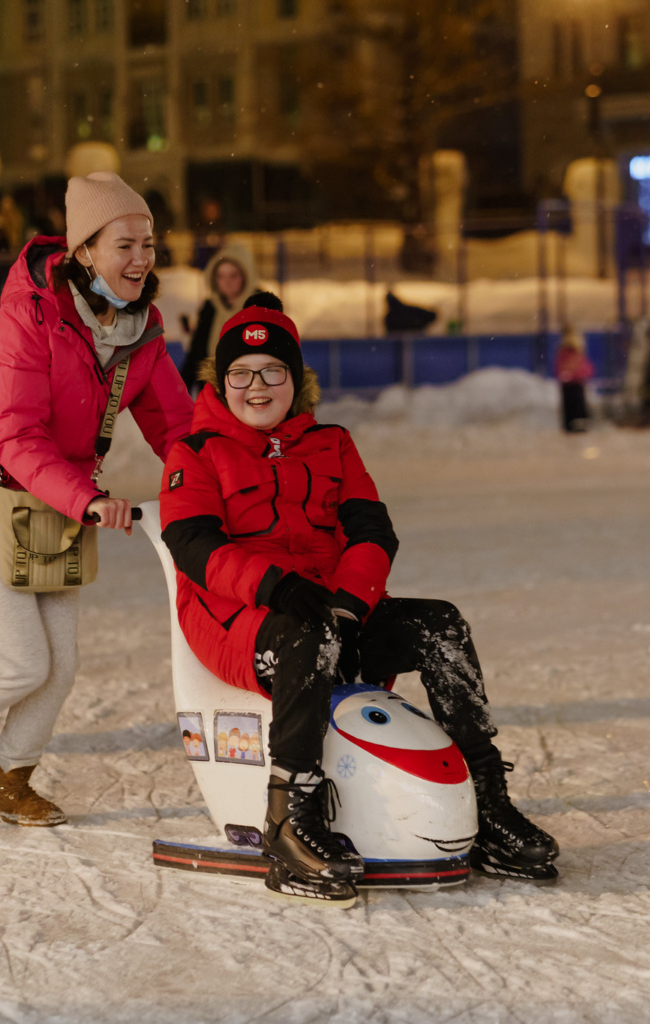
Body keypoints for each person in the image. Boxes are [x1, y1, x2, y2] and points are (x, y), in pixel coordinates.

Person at [158, 292, 559, 904]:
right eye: (241, 373)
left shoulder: (333, 443)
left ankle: (489, 801)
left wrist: (349, 605)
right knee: (308, 635)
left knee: (439, 625)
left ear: (297, 381)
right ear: (221, 381)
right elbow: (192, 544)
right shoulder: (195, 452)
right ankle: (291, 819)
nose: (256, 386)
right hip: (238, 616)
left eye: (273, 372)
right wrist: (278, 589)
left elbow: (373, 531)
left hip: (330, 609)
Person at [0, 171, 193, 826]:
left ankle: (8, 777)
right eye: (125, 245)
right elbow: (18, 435)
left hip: (61, 496)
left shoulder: (141, 329)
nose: (142, 258)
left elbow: (178, 427)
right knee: (21, 659)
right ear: (84, 250)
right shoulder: (28, 317)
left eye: (149, 243)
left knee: (60, 663)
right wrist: (85, 499)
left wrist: (218, 481)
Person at [178, 244, 256, 392]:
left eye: (233, 275)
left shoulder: (260, 306)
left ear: (245, 275)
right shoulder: (210, 308)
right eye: (220, 276)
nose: (227, 282)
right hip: (213, 391)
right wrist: (181, 388)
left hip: (251, 390)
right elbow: (197, 353)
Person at [555, 335, 595, 434]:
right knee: (577, 406)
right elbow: (587, 369)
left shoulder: (564, 354)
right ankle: (577, 424)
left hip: (570, 384)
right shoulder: (575, 354)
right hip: (575, 383)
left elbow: (560, 369)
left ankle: (572, 424)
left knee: (572, 407)